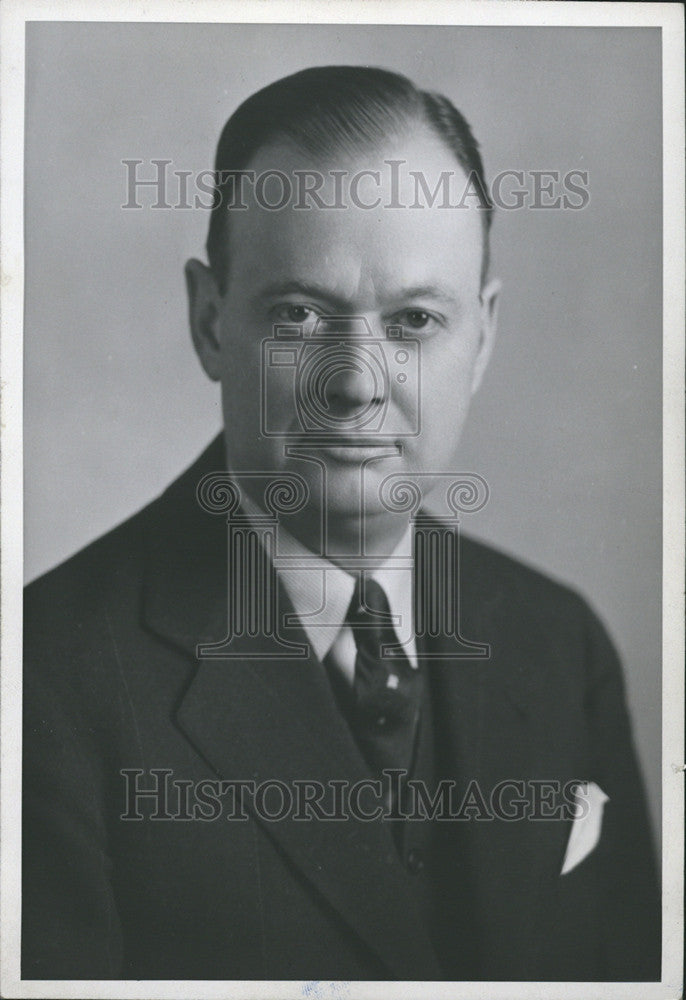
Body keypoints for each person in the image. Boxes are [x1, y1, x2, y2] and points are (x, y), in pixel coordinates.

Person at [22, 65, 660, 982]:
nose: (358, 382)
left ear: (480, 338)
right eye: (301, 314)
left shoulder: (560, 644)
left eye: (414, 320)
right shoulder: (43, 684)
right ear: (209, 323)